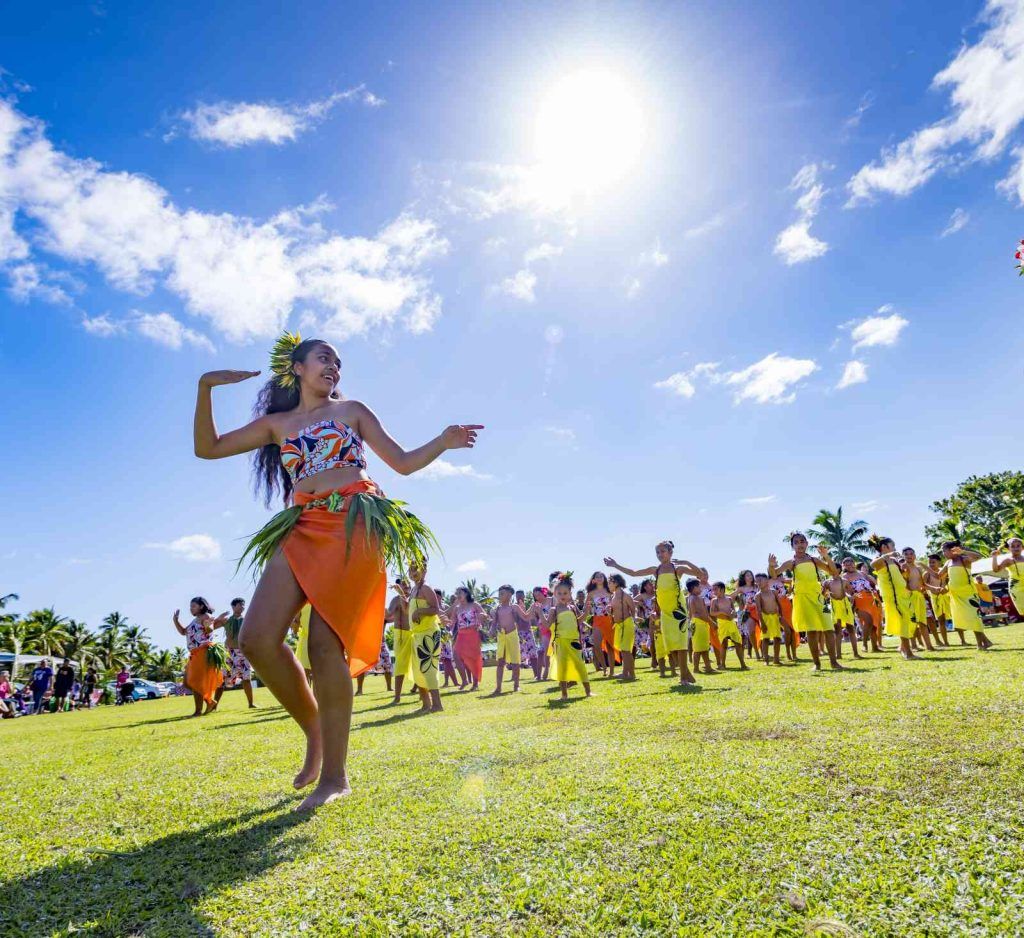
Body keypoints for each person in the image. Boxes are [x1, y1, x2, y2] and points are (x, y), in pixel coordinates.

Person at [193, 331, 481, 810]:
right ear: (298, 368)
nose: (334, 367)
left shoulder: (352, 412)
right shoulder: (276, 424)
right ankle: (315, 732)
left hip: (354, 522)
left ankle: (335, 777)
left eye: (339, 362)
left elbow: (403, 463)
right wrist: (205, 387)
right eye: (324, 358)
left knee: (327, 646)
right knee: (257, 638)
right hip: (302, 523)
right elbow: (208, 448)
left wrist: (445, 441)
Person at [604, 541, 698, 686]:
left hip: (678, 611)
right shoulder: (656, 570)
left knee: (680, 644)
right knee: (671, 645)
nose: (660, 555)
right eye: (657, 552)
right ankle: (687, 674)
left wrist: (686, 562)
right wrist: (615, 565)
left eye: (663, 551)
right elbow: (634, 573)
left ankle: (684, 678)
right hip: (665, 613)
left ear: (670, 552)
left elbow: (700, 574)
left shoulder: (677, 569)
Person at [769, 534, 843, 671]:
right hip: (802, 598)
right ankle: (817, 663)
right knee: (812, 631)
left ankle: (834, 662)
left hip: (820, 597)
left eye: (802, 541)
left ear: (807, 543)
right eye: (796, 542)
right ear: (792, 546)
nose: (800, 544)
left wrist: (826, 556)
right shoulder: (791, 562)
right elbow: (774, 575)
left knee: (829, 628)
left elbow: (833, 572)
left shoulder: (814, 560)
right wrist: (771, 566)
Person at [173, 599, 225, 716]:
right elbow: (183, 632)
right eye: (190, 606)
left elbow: (209, 629)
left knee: (194, 682)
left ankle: (198, 710)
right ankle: (210, 701)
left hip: (203, 651)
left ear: (201, 606)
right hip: (194, 654)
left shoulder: (206, 616)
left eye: (193, 606)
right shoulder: (194, 620)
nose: (191, 608)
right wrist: (176, 620)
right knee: (187, 682)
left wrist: (208, 626)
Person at [545, 574, 592, 701]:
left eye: (565, 593)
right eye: (559, 593)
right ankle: (564, 695)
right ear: (554, 594)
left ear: (570, 593)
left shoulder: (572, 607)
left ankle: (588, 692)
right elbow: (547, 624)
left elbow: (579, 621)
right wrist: (539, 613)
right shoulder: (553, 610)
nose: (562, 596)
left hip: (574, 641)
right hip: (561, 642)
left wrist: (586, 612)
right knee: (563, 668)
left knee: (579, 664)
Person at [870, 536, 917, 660]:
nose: (895, 549)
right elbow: (873, 565)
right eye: (893, 546)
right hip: (893, 596)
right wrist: (889, 555)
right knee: (902, 621)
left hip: (903, 593)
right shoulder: (880, 559)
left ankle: (903, 647)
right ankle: (908, 652)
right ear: (884, 547)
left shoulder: (894, 560)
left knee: (908, 620)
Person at [942, 541, 993, 650]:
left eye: (944, 550)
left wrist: (963, 551)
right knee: (968, 618)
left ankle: (981, 644)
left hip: (969, 593)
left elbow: (979, 556)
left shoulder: (964, 559)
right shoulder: (948, 563)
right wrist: (922, 566)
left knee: (974, 617)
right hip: (956, 595)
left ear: (952, 550)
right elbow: (938, 575)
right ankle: (985, 641)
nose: (943, 553)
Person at [408, 561, 444, 713]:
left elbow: (435, 609)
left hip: (428, 633)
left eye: (416, 569)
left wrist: (419, 612)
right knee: (418, 670)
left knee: (428, 669)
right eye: (410, 569)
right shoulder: (414, 589)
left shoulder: (426, 587)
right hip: (417, 634)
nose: (413, 572)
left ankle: (437, 705)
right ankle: (425, 704)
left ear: (424, 570)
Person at [215, 598, 257, 709]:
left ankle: (251, 703)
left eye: (244, 605)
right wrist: (218, 618)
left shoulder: (247, 619)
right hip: (229, 652)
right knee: (222, 680)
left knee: (246, 678)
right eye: (240, 605)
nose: (242, 607)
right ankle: (214, 705)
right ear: (233, 607)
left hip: (243, 652)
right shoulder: (227, 620)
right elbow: (211, 627)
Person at [489, 585, 525, 695]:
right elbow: (494, 623)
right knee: (500, 661)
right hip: (502, 636)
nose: (500, 595)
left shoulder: (514, 607)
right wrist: (491, 630)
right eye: (499, 593)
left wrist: (533, 609)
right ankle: (498, 687)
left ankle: (516, 685)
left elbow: (525, 617)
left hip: (512, 635)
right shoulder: (497, 609)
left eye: (502, 593)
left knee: (515, 662)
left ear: (509, 595)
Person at [450, 586, 485, 692]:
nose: (458, 594)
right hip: (461, 634)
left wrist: (482, 617)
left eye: (460, 592)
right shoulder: (457, 608)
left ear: (466, 593)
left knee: (473, 658)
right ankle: (464, 680)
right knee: (456, 655)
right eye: (457, 593)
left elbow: (484, 614)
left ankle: (475, 684)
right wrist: (449, 630)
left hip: (473, 633)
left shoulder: (474, 604)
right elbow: (452, 621)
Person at [902, 548, 935, 652]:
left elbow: (922, 584)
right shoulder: (903, 567)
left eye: (911, 554)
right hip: (909, 597)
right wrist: (911, 591)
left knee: (922, 622)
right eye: (906, 554)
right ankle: (913, 645)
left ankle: (928, 646)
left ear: (914, 555)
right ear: (903, 556)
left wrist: (933, 588)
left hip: (920, 596)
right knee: (912, 622)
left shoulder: (918, 567)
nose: (909, 556)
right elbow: (904, 583)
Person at [386, 580, 414, 703]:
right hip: (401, 635)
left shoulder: (415, 597)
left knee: (418, 663)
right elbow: (388, 614)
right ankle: (397, 697)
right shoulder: (396, 599)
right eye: (404, 584)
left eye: (408, 584)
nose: (407, 586)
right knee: (400, 665)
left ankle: (419, 690)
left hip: (415, 633)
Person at [583, 572, 614, 677]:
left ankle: (612, 671)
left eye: (601, 576)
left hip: (609, 619)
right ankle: (604, 668)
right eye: (597, 577)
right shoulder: (591, 593)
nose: (599, 578)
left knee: (610, 646)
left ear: (604, 578)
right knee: (596, 646)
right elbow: (585, 608)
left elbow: (615, 604)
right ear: (594, 580)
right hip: (597, 620)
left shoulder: (610, 590)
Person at [710, 581, 747, 670]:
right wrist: (722, 612)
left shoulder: (729, 599)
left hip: (731, 623)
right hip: (722, 623)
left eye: (716, 589)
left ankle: (743, 664)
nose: (714, 591)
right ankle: (723, 665)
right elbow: (712, 613)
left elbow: (733, 611)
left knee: (738, 643)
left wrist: (732, 613)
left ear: (722, 589)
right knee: (723, 644)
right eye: (713, 589)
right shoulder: (714, 600)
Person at [608, 574, 637, 681]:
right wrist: (609, 610)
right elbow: (614, 611)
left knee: (626, 650)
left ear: (616, 583)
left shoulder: (625, 596)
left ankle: (632, 674)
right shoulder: (613, 596)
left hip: (627, 624)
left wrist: (635, 619)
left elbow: (633, 610)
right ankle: (625, 673)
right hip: (619, 626)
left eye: (610, 582)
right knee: (624, 650)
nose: (608, 585)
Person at [684, 580, 715, 674]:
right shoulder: (693, 598)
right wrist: (711, 622)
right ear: (693, 588)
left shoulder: (698, 598)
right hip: (698, 623)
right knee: (698, 648)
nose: (701, 588)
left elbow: (704, 612)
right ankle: (696, 668)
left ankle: (708, 667)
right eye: (699, 587)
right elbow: (697, 613)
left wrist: (709, 621)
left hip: (703, 623)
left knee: (704, 647)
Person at [991, 538, 1024, 617]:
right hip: (1016, 587)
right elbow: (996, 570)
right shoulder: (1008, 560)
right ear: (1008, 548)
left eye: (1018, 546)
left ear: (1022, 547)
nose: (1016, 548)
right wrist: (994, 557)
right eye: (1013, 546)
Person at [753, 575, 783, 665]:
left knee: (777, 638)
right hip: (765, 617)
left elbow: (779, 604)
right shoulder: (758, 595)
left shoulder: (773, 592)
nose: (758, 582)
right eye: (757, 581)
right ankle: (766, 660)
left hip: (775, 617)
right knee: (765, 639)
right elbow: (758, 610)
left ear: (767, 581)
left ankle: (776, 659)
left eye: (760, 580)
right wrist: (762, 623)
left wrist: (781, 616)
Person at [923, 554, 952, 646]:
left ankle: (949, 641)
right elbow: (923, 586)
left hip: (944, 597)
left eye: (933, 562)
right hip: (933, 599)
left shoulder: (943, 572)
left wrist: (945, 589)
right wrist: (933, 590)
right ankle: (942, 641)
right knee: (939, 620)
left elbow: (946, 583)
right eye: (929, 562)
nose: (931, 564)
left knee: (945, 619)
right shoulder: (926, 574)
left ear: (939, 562)